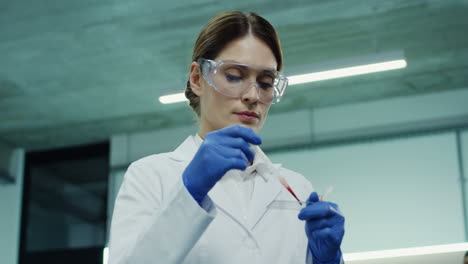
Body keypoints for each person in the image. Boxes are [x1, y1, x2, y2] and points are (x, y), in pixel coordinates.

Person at [108, 11, 345, 264]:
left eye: (265, 83)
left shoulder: (297, 190)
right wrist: (190, 191)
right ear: (198, 78)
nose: (253, 95)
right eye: (234, 76)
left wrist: (329, 260)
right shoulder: (150, 177)